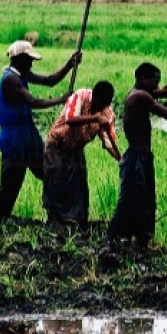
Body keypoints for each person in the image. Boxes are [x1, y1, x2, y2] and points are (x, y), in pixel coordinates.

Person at [103, 57, 167, 252]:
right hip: (135, 158)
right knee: (129, 200)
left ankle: (142, 241)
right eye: (154, 82)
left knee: (146, 200)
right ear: (143, 78)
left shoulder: (143, 93)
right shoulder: (139, 96)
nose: (157, 86)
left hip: (143, 156)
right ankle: (111, 238)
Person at [0, 40, 81, 230]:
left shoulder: (22, 74)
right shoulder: (10, 80)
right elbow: (32, 102)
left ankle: (55, 215)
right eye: (29, 60)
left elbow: (49, 81)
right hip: (14, 140)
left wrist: (70, 65)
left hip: (27, 136)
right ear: (19, 59)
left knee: (48, 173)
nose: (31, 63)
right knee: (11, 183)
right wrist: (61, 100)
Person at [43, 81, 121, 233]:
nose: (102, 108)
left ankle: (76, 223)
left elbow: (108, 140)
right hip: (57, 145)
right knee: (56, 183)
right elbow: (71, 119)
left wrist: (120, 158)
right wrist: (94, 118)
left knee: (79, 189)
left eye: (106, 105)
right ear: (95, 96)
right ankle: (54, 222)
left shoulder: (107, 113)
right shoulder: (80, 96)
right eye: (100, 103)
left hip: (76, 148)